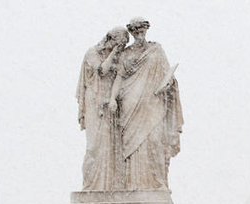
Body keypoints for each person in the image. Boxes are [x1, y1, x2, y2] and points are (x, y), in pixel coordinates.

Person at [108, 17, 183, 189]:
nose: (139, 34)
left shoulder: (156, 50)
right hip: (130, 103)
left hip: (152, 103)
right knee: (130, 146)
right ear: (132, 32)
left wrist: (169, 84)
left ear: (146, 31)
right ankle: (131, 184)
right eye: (136, 32)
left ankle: (155, 182)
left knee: (154, 141)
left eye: (142, 31)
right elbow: (119, 77)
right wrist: (112, 98)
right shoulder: (126, 54)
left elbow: (167, 74)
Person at [77, 27, 129, 190]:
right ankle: (91, 184)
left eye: (122, 45)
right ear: (110, 39)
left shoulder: (118, 57)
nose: (119, 47)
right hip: (94, 102)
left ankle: (110, 185)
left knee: (111, 146)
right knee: (94, 145)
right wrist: (114, 52)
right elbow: (101, 70)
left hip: (109, 105)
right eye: (118, 43)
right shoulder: (92, 53)